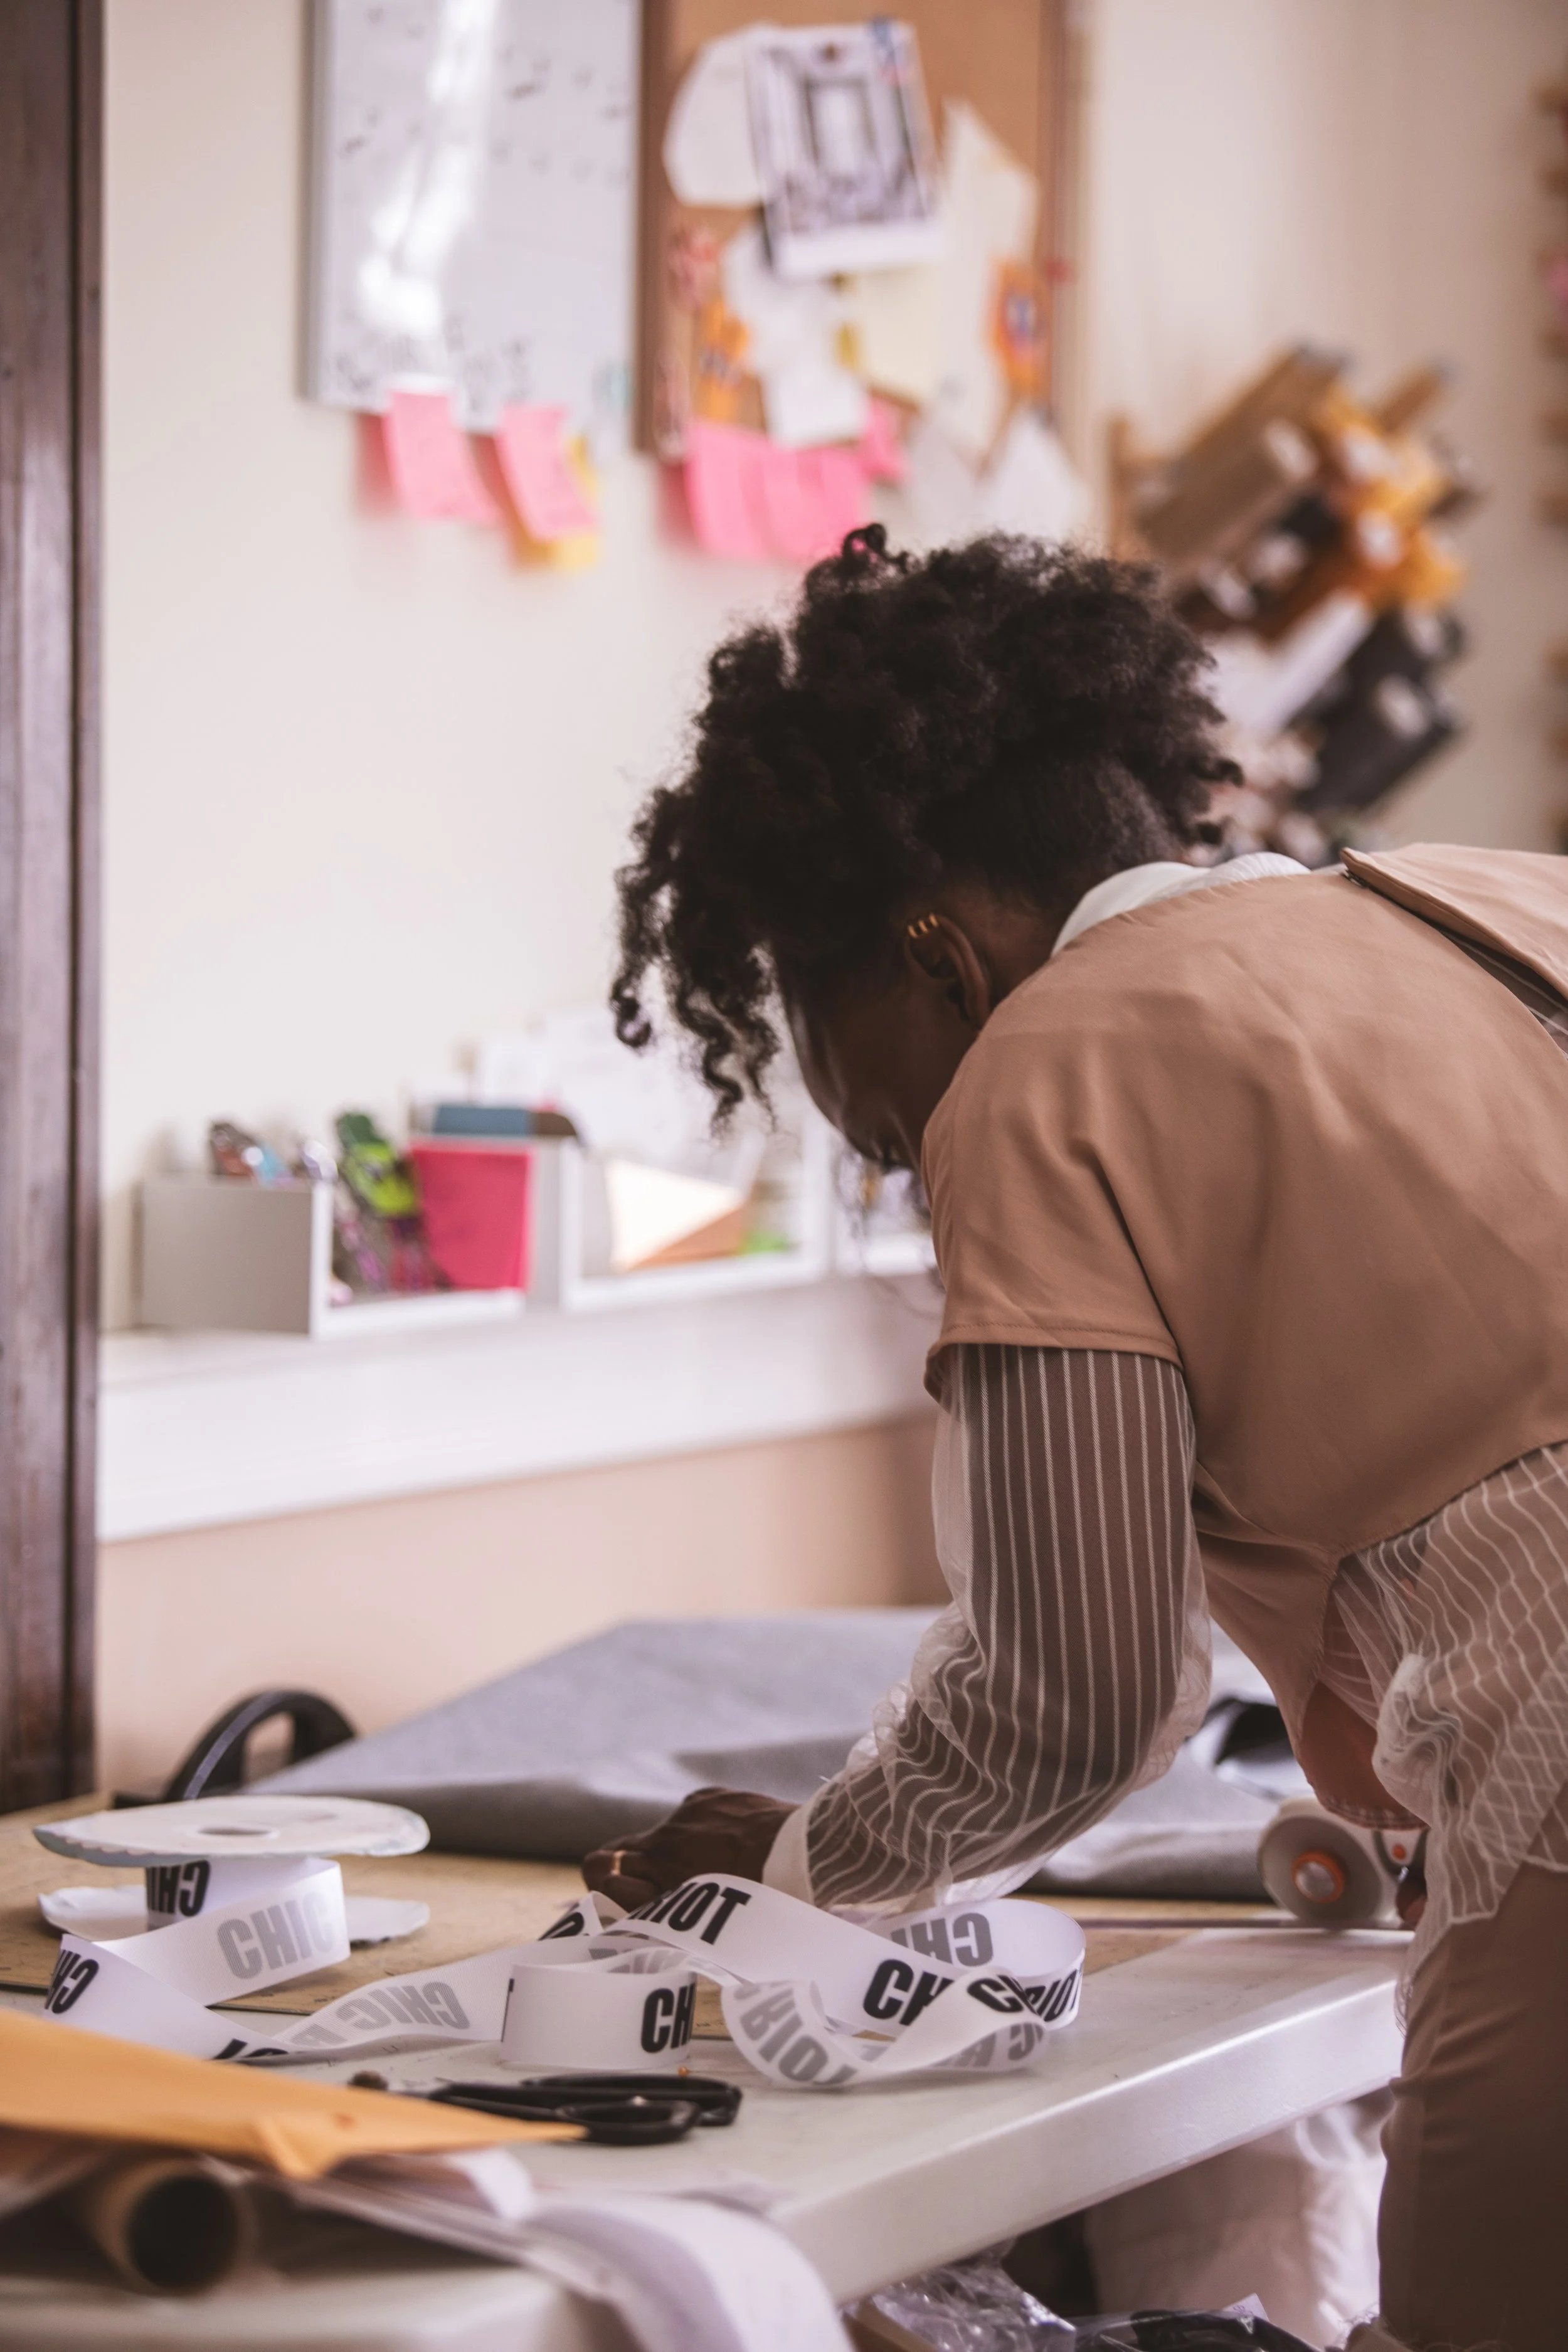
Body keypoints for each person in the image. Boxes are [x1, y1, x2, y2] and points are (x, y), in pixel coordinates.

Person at [588, 528, 1568, 2352]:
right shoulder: (1486, 904)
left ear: (940, 961)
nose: (915, 1171)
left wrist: (806, 1872)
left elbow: (1078, 1690)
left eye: (887, 1127)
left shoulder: (1046, 1062)